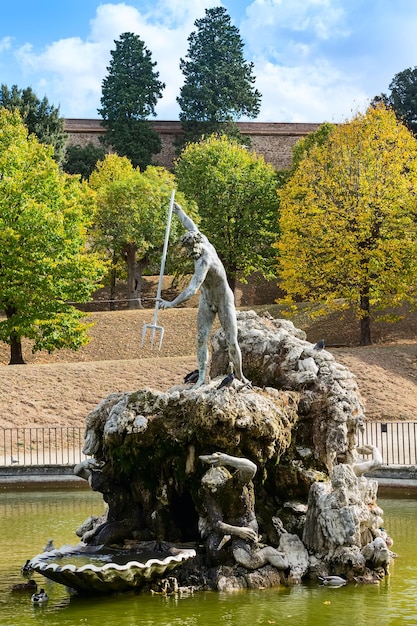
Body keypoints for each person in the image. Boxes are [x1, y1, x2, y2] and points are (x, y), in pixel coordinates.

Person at [159, 203, 249, 388]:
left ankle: (240, 376)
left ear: (199, 245)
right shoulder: (200, 239)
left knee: (231, 341)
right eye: (189, 251)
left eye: (194, 251)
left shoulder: (204, 261)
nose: (193, 254)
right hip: (207, 300)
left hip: (223, 300)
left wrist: (171, 303)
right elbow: (190, 225)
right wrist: (179, 211)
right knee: (201, 337)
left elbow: (192, 290)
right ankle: (201, 377)